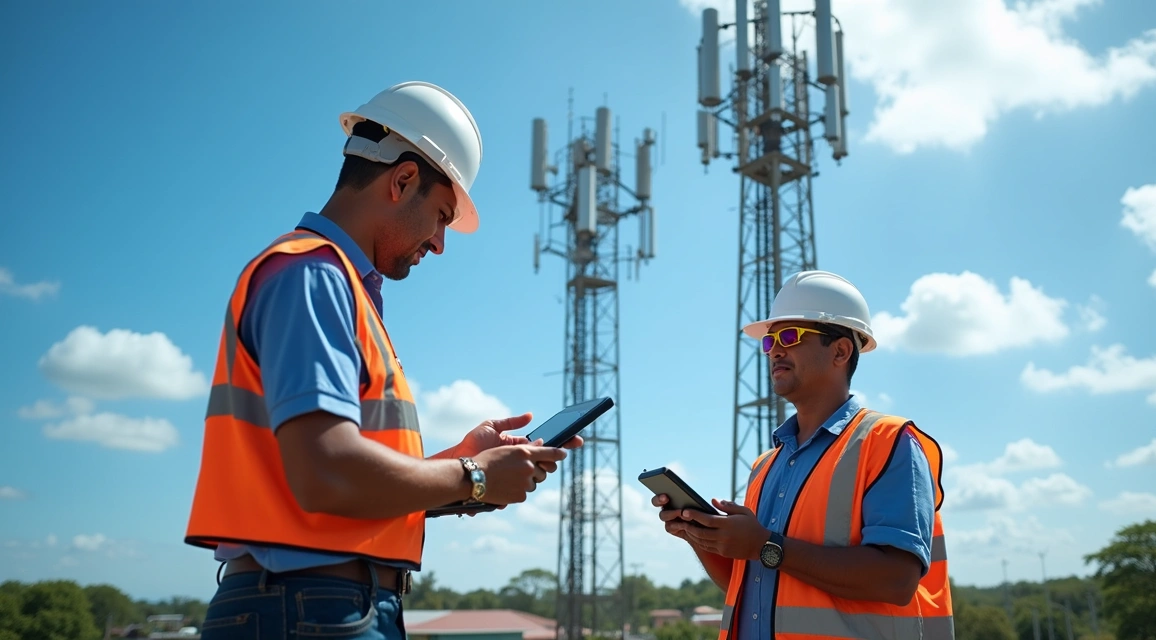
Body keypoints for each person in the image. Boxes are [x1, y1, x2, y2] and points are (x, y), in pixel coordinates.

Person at [183, 81, 580, 639]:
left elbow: (345, 482)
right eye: (442, 215)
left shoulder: (339, 287)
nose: (440, 242)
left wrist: (462, 465)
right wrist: (472, 478)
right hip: (311, 606)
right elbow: (326, 472)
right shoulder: (311, 276)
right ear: (402, 180)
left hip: (320, 603)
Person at [652, 270, 954, 640]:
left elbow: (895, 580)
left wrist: (764, 545)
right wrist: (703, 538)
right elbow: (752, 579)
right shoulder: (767, 465)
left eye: (790, 336)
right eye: (770, 341)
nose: (775, 349)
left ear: (841, 351)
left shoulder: (888, 442)